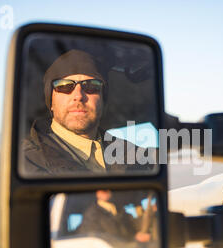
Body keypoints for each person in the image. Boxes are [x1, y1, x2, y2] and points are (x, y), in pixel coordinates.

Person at [22, 49, 155, 176]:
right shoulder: (25, 161)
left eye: (91, 86)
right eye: (64, 86)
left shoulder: (135, 155)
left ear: (103, 100)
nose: (78, 95)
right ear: (51, 102)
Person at [76, 190, 151, 243]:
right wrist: (134, 238)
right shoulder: (91, 215)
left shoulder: (119, 209)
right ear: (96, 193)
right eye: (101, 189)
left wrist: (150, 212)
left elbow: (132, 224)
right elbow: (95, 240)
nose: (105, 191)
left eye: (107, 188)